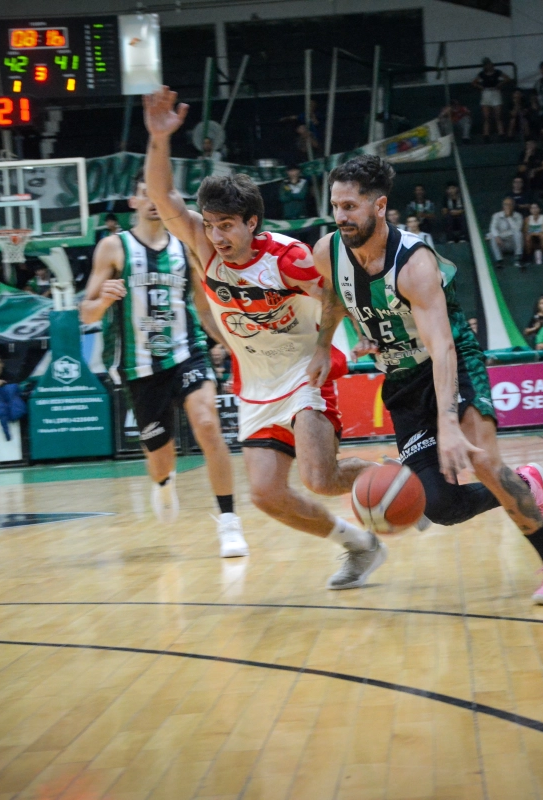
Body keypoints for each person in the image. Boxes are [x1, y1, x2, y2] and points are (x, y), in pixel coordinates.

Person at [308, 153, 543, 605]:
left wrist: (449, 423)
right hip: (402, 380)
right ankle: (528, 485)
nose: (340, 216)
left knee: (484, 464)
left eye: (350, 206)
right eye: (336, 206)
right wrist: (325, 344)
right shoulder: (328, 251)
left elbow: (443, 349)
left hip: (453, 365)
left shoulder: (414, 263)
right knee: (440, 506)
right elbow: (335, 295)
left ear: (379, 206)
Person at [144, 87, 381, 589]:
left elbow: (335, 294)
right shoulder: (204, 246)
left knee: (319, 478)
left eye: (227, 226)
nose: (217, 236)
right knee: (266, 496)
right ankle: (359, 545)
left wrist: (329, 344)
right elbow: (163, 198)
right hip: (255, 384)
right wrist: (159, 138)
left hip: (302, 373)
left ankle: (396, 478)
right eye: (211, 225)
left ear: (252, 222)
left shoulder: (286, 258)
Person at [81, 178, 247, 555]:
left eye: (160, 193)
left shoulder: (185, 244)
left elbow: (203, 307)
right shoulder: (113, 246)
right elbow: (86, 312)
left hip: (187, 351)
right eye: (146, 193)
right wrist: (103, 301)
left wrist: (231, 344)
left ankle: (229, 522)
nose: (154, 200)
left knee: (208, 424)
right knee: (160, 458)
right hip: (140, 366)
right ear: (133, 200)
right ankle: (164, 482)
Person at [472, 59, 510, 142]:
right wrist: (481, 87)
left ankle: (501, 133)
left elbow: (507, 78)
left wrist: (500, 84)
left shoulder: (497, 72)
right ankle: (486, 135)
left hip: (495, 92)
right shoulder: (482, 74)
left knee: (498, 116)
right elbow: (474, 82)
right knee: (486, 117)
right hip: (486, 93)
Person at [487, 197, 523, 267]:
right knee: (493, 236)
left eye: (510, 204)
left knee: (519, 234)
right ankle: (499, 260)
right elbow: (492, 228)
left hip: (512, 243)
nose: (507, 206)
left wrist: (509, 217)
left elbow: (517, 229)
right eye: (505, 204)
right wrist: (497, 236)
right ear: (503, 206)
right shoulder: (496, 215)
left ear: (513, 206)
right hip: (501, 243)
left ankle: (518, 258)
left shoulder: (518, 216)